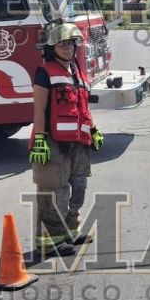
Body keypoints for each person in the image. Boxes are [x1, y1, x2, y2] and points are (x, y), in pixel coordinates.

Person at [29, 22, 103, 256]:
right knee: (55, 191)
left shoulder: (76, 71)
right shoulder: (45, 74)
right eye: (62, 44)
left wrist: (93, 129)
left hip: (78, 142)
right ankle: (49, 242)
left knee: (79, 186)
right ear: (51, 48)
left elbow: (82, 106)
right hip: (53, 142)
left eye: (71, 43)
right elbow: (39, 110)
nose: (68, 48)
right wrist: (39, 139)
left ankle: (70, 231)